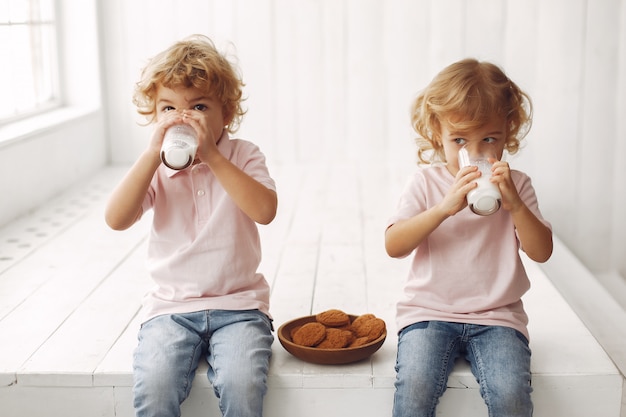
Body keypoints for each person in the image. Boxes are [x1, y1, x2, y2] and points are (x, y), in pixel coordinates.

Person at [105, 35, 278, 417]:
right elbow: (116, 219)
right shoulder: (156, 165)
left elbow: (265, 211)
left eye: (199, 106)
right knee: (154, 385)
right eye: (168, 108)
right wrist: (152, 155)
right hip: (170, 307)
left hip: (239, 305)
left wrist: (213, 156)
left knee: (242, 383)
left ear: (227, 113)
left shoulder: (243, 155)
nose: (182, 118)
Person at [385, 58, 553, 417]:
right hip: (428, 313)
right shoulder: (425, 183)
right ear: (436, 132)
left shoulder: (517, 185)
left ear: (509, 129)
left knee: (511, 396)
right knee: (414, 390)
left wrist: (516, 207)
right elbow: (394, 245)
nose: (475, 153)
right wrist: (443, 208)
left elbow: (541, 252)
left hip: (497, 318)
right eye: (459, 140)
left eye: (489, 139)